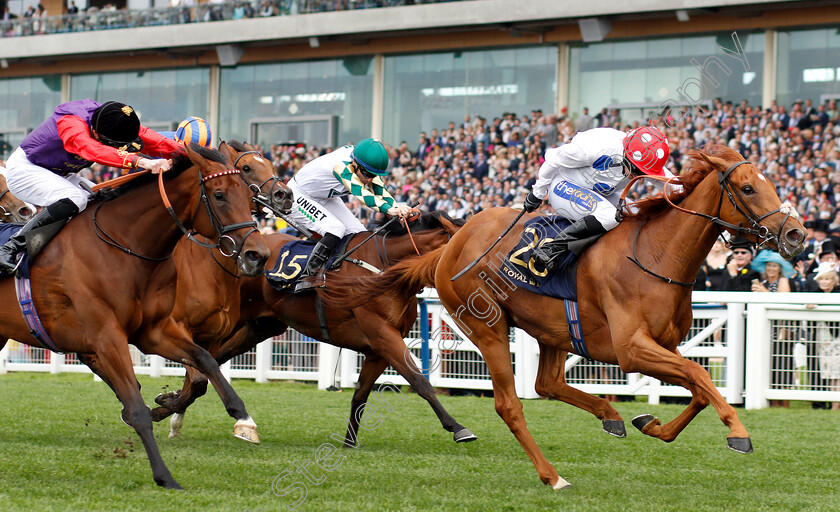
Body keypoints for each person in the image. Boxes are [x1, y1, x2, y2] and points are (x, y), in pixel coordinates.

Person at [0, 100, 181, 273]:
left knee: (105, 197)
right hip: (25, 170)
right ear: (96, 133)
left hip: (56, 172)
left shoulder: (113, 119)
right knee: (76, 198)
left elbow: (157, 141)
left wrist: (194, 154)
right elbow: (91, 149)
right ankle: (11, 247)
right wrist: (140, 161)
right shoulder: (71, 122)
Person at [522, 125, 672, 270]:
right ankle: (551, 249)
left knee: (638, 214)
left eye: (642, 172)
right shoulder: (593, 149)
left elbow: (676, 185)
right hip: (564, 184)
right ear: (627, 155)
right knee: (609, 216)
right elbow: (552, 159)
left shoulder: (646, 157)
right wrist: (537, 194)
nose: (638, 176)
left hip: (601, 192)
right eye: (636, 170)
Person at [286, 137, 413, 292]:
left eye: (373, 175)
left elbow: (381, 191)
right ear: (355, 163)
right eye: (367, 174)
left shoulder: (365, 164)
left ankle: (343, 273)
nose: (369, 179)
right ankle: (308, 277)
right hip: (298, 195)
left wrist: (398, 208)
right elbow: (362, 193)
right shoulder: (341, 165)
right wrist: (389, 210)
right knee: (335, 229)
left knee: (360, 234)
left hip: (324, 197)